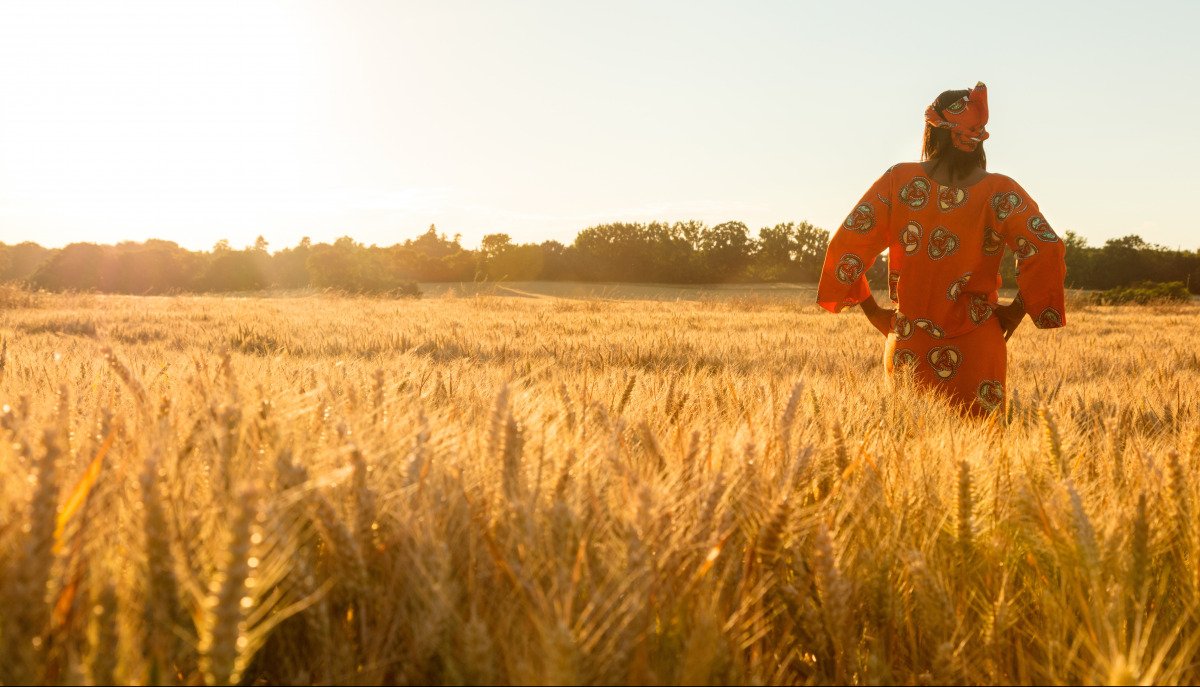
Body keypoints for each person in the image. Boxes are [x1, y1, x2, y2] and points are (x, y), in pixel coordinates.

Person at [816, 82, 1066, 416]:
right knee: (984, 458)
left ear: (932, 132)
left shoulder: (900, 180)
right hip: (979, 343)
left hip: (910, 341)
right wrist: (1015, 311)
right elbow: (1046, 248)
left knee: (908, 450)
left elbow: (846, 244)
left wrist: (874, 313)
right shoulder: (1001, 191)